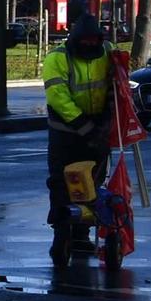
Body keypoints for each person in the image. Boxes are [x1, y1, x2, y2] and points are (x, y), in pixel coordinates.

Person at [42, 13, 111, 262]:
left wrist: (104, 124)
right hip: (66, 131)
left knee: (92, 181)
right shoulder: (57, 58)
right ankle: (61, 232)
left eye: (95, 41)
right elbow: (58, 96)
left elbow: (117, 83)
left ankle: (81, 232)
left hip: (97, 128)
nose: (91, 46)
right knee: (62, 182)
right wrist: (84, 126)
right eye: (87, 41)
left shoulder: (107, 52)